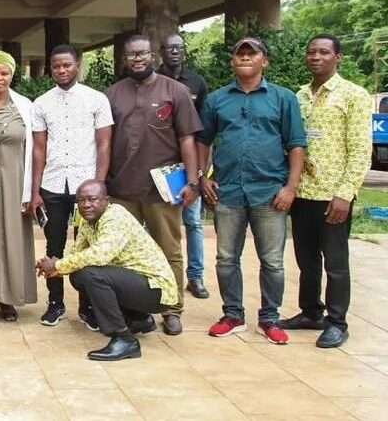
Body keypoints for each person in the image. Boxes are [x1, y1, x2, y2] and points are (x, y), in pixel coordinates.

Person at [199, 37, 306, 345]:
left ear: (264, 61)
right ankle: (232, 315)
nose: (245, 57)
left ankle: (269, 318)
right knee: (225, 258)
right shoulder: (218, 100)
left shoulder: (283, 98)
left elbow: (296, 144)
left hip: (270, 191)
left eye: (252, 53)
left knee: (272, 260)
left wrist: (291, 187)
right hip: (228, 191)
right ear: (233, 61)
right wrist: (202, 176)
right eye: (240, 54)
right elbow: (204, 141)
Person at [105, 34, 200, 336]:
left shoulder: (176, 91)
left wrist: (193, 181)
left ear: (153, 55)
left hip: (163, 188)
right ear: (124, 58)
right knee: (124, 251)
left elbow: (188, 138)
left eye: (143, 53)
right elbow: (104, 143)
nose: (137, 59)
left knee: (168, 248)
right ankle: (133, 310)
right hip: (122, 188)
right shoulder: (113, 94)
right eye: (131, 55)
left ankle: (172, 309)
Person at [281, 35, 372, 348]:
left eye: (323, 52)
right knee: (306, 260)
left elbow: (361, 149)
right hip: (303, 192)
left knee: (335, 262)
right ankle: (310, 312)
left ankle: (337, 322)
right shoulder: (300, 96)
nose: (316, 57)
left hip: (334, 195)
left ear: (338, 57)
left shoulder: (354, 96)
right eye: (311, 52)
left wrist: (345, 194)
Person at [36, 180, 178, 361]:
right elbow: (77, 254)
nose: (86, 205)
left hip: (157, 289)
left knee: (91, 274)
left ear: (106, 200)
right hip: (137, 284)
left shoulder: (115, 217)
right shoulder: (88, 222)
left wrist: (57, 266)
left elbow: (100, 255)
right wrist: (56, 265)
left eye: (92, 199)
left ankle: (124, 339)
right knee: (79, 275)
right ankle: (139, 319)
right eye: (81, 201)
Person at [29, 44, 113, 328]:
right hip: (53, 185)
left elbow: (104, 145)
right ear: (51, 68)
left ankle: (87, 307)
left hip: (86, 189)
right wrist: (35, 191)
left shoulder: (97, 100)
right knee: (54, 246)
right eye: (56, 66)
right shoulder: (41, 103)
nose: (62, 70)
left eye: (67, 65)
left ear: (78, 65)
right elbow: (39, 149)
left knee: (85, 246)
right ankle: (55, 304)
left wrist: (99, 186)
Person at [0, 51, 36, 321]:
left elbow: (35, 149)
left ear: (12, 75)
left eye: (4, 73)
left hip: (14, 180)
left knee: (13, 238)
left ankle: (9, 298)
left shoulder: (26, 105)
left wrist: (32, 191)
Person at [158, 33, 211, 299]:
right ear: (161, 52)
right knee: (160, 223)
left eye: (179, 48)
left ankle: (196, 276)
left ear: (184, 51)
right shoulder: (152, 80)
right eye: (169, 48)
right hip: (161, 168)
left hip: (187, 167)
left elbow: (204, 131)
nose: (174, 52)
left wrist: (200, 171)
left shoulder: (197, 83)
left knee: (193, 222)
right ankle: (159, 273)